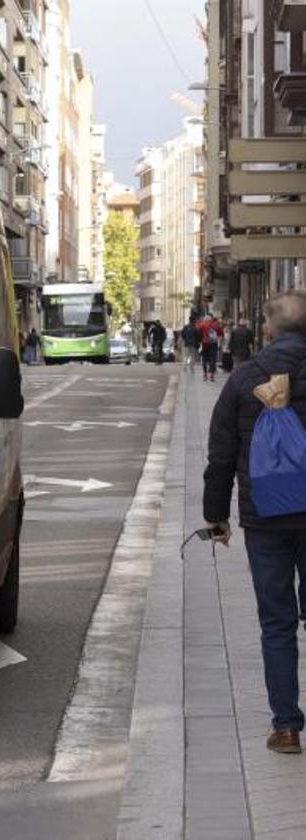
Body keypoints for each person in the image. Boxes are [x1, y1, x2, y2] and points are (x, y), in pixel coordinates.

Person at [203, 290, 306, 754]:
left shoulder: (244, 376)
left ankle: (285, 728)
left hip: (266, 515)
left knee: (277, 622)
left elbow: (221, 452)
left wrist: (216, 515)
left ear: (268, 329)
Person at [198, 313, 225, 382]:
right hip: (214, 344)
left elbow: (198, 332)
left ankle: (205, 374)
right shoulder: (216, 326)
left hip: (205, 343)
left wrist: (201, 340)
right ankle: (212, 375)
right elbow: (221, 333)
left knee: (204, 359)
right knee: (213, 359)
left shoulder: (202, 325)